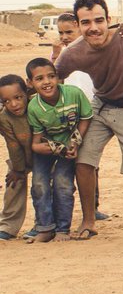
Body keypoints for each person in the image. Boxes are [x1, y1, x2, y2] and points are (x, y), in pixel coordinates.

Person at [55, 0, 123, 239]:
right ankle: (89, 220)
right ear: (78, 25)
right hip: (101, 106)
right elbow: (51, 79)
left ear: (108, 19)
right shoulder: (72, 52)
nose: (93, 28)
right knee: (83, 159)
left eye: (98, 20)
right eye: (86, 23)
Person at [25, 58, 91, 242]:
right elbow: (36, 142)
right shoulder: (33, 107)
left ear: (58, 77)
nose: (46, 82)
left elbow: (86, 118)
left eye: (51, 76)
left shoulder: (74, 94)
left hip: (69, 147)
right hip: (47, 149)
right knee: (39, 184)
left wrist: (75, 142)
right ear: (30, 83)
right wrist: (47, 148)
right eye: (39, 79)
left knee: (63, 183)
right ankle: (45, 228)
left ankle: (62, 228)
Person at [0, 75, 32, 240]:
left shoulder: (37, 105)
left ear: (26, 93)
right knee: (13, 184)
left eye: (18, 97)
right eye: (6, 101)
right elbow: (13, 145)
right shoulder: (5, 117)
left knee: (44, 188)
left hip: (48, 156)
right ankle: (8, 226)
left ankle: (45, 223)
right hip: (21, 156)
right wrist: (18, 169)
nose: (13, 104)